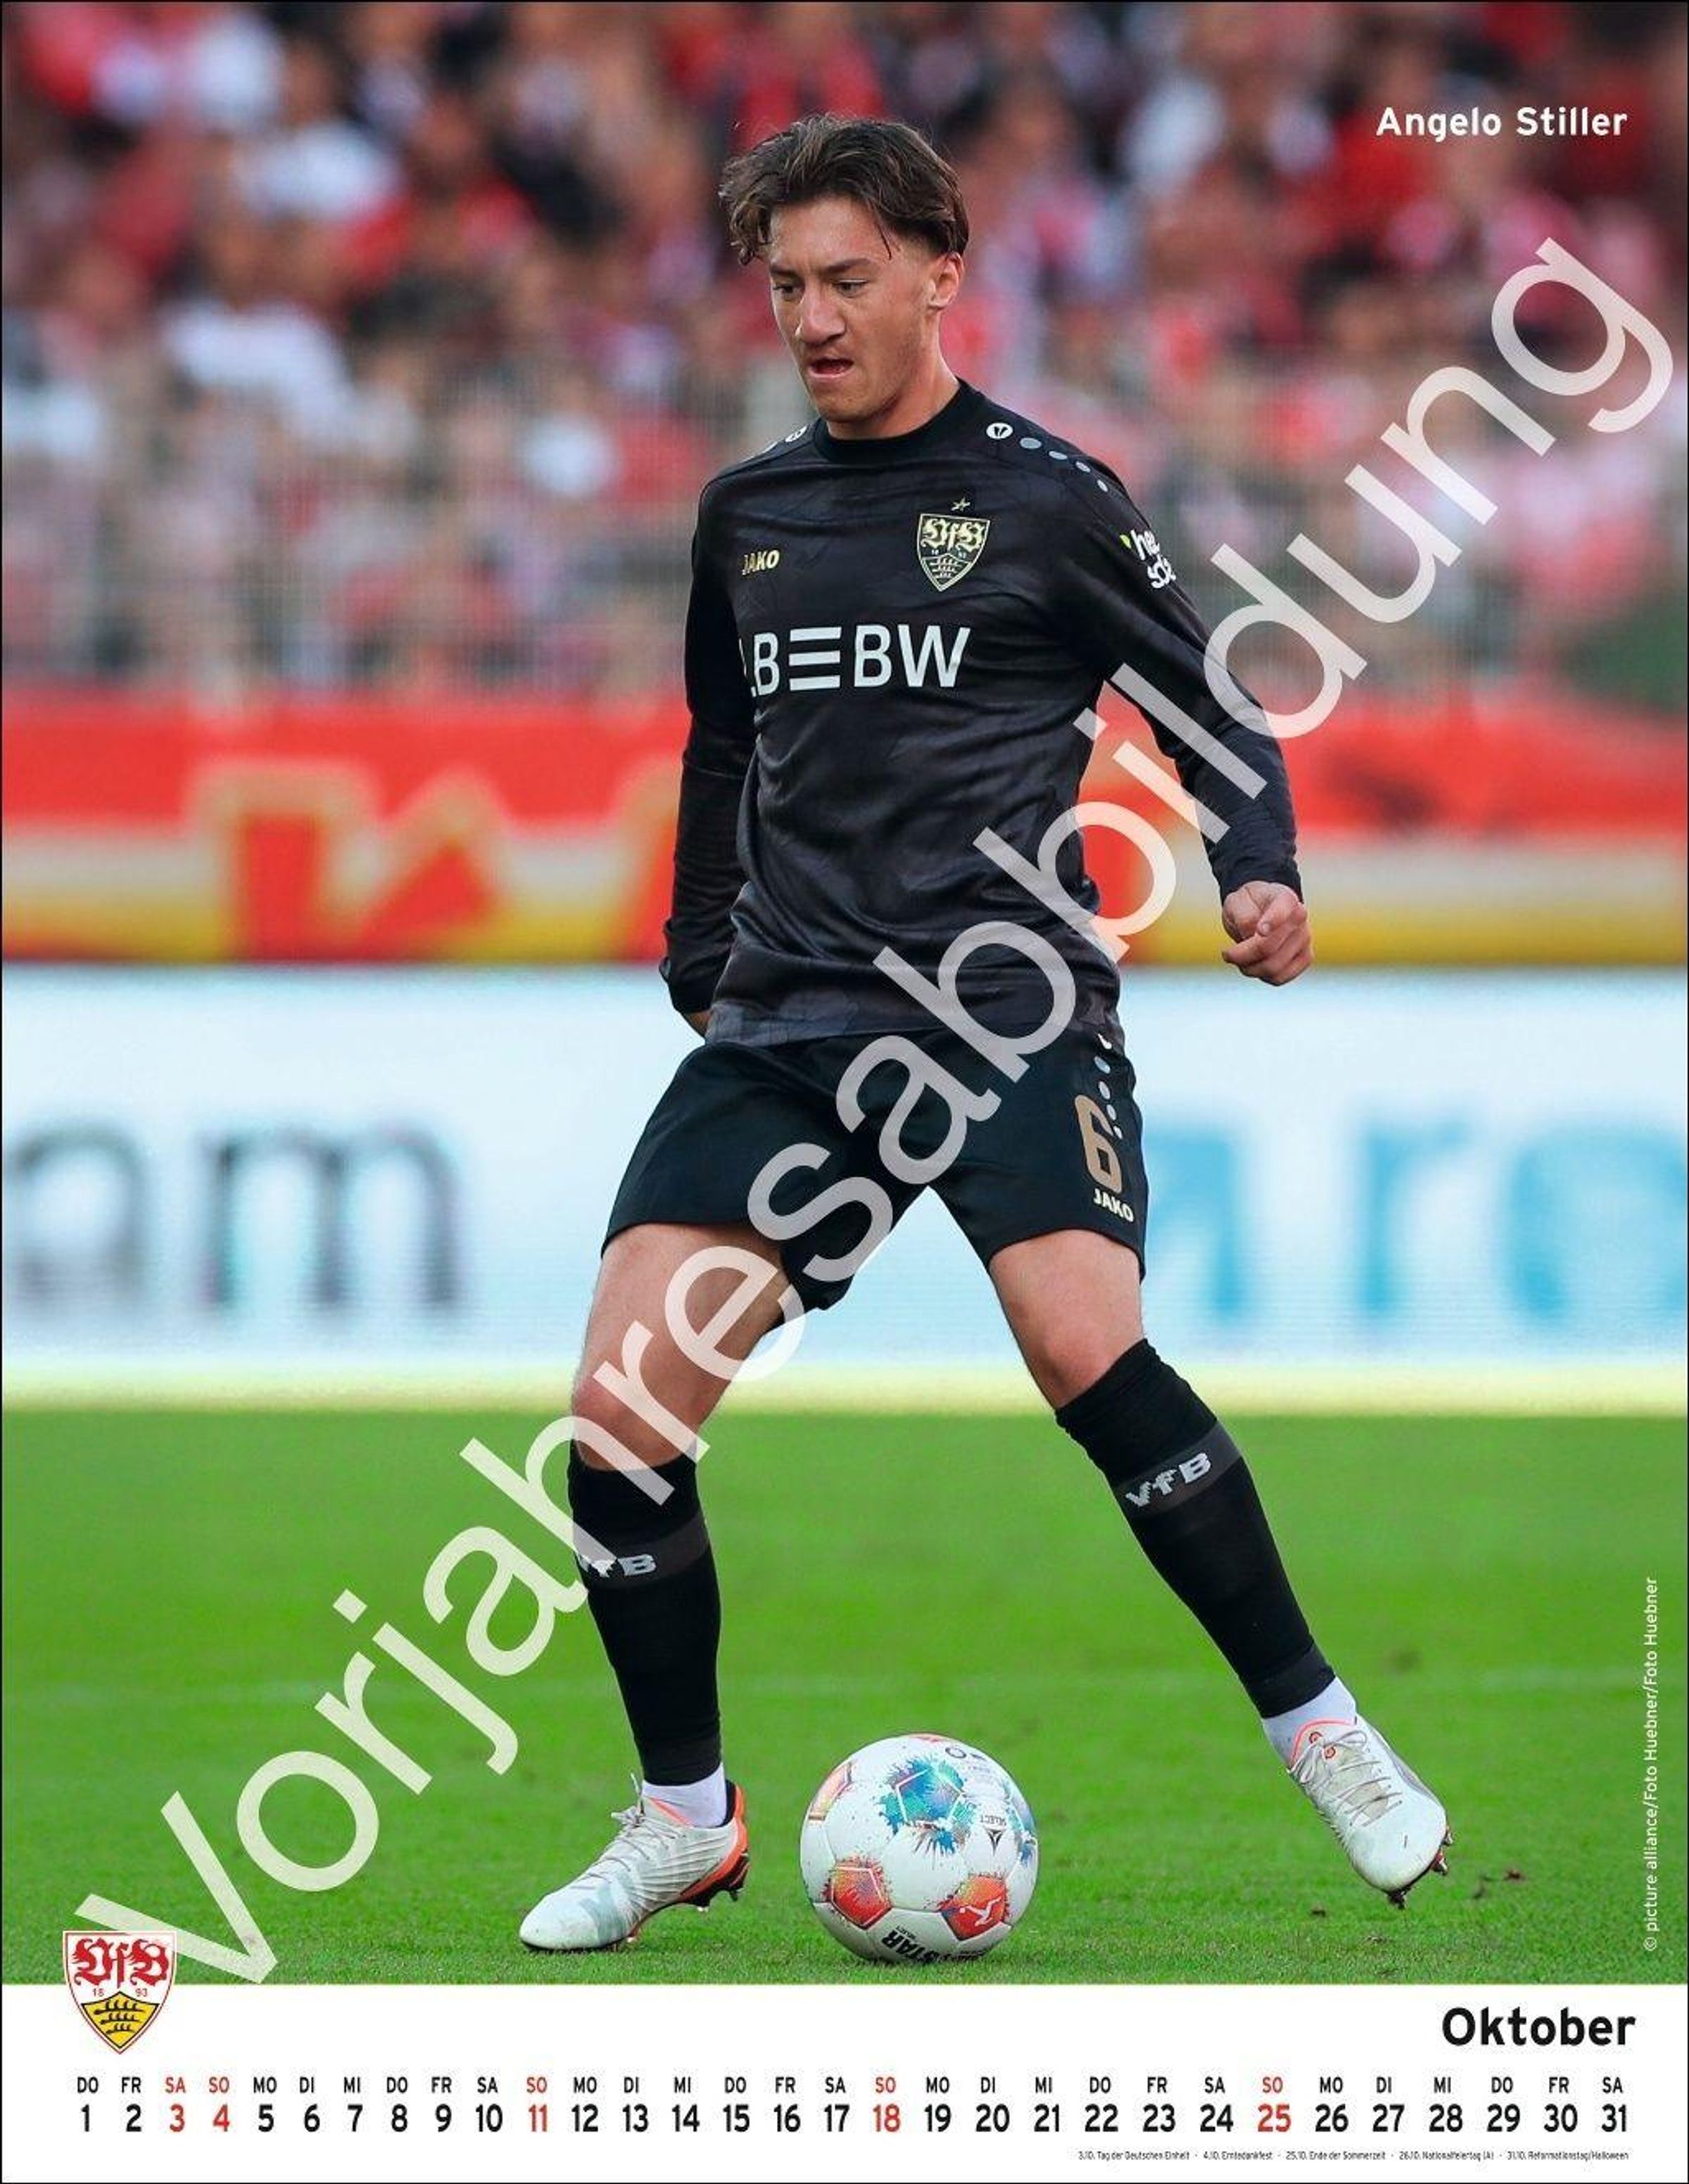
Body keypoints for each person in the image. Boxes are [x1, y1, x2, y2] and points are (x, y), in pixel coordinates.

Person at [521, 115, 1448, 1954]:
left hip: (997, 1015)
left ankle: (1328, 1736)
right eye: (786, 286)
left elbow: (1214, 710)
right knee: (616, 1421)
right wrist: (702, 946)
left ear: (942, 275)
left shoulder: (1047, 498)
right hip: (794, 1023)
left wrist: (1259, 872)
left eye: (848, 280)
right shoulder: (747, 517)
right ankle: (683, 1819)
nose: (812, 317)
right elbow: (722, 745)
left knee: (1084, 1345)